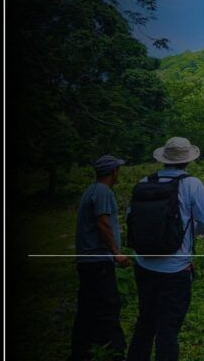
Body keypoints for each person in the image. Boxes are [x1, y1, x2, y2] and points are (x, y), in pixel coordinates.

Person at [126, 137, 204, 361]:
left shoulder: (144, 181)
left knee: (145, 322)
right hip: (175, 269)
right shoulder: (192, 184)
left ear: (164, 159)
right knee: (168, 329)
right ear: (188, 161)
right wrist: (188, 232)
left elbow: (131, 218)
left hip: (144, 264)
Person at [71, 154, 129, 361]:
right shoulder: (103, 191)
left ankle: (82, 351)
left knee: (87, 307)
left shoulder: (91, 190)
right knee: (108, 306)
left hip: (87, 261)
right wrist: (116, 252)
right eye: (118, 170)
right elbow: (103, 223)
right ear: (113, 172)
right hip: (98, 261)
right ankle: (114, 351)